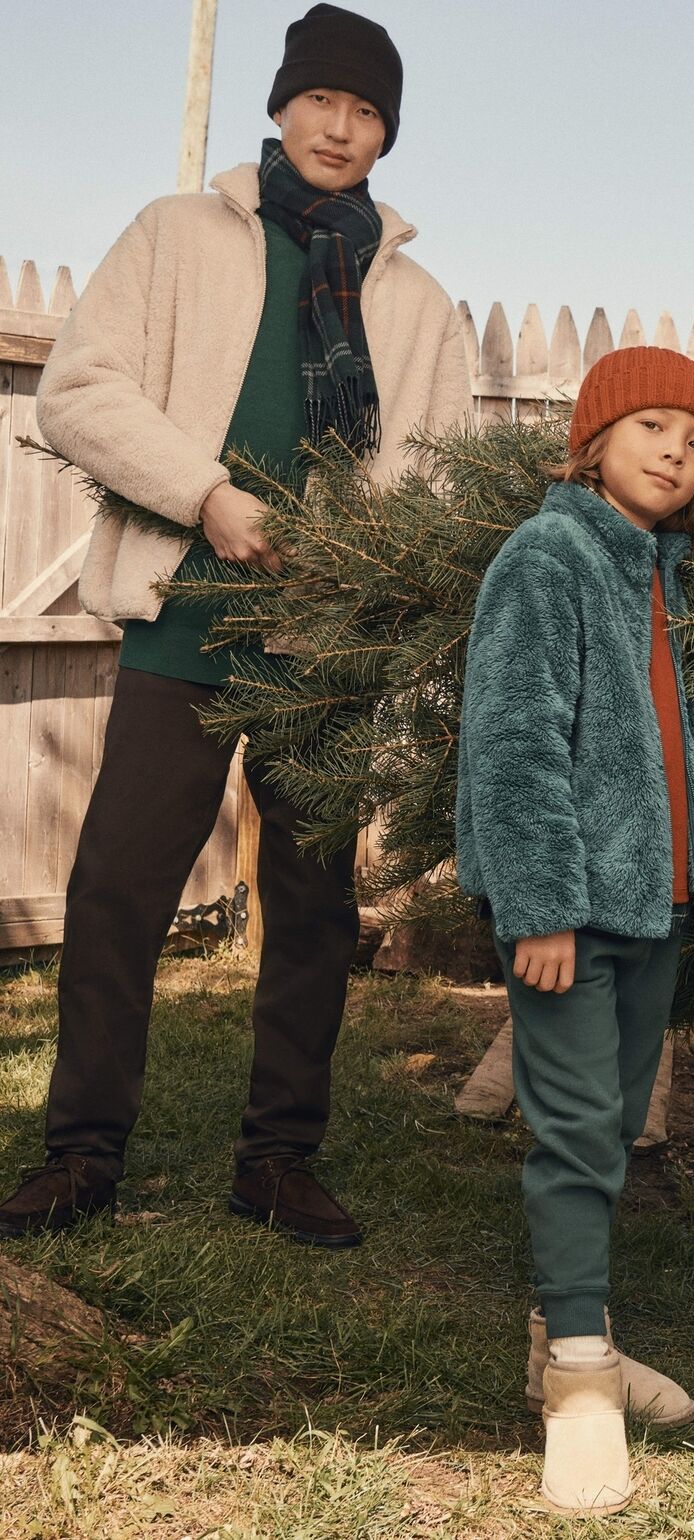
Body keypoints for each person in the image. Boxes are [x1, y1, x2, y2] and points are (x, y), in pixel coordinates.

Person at [0, 4, 472, 1249]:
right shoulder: (174, 237)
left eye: (367, 112)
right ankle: (84, 1153)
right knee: (116, 890)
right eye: (323, 99)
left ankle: (278, 1159)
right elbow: (78, 389)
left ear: (388, 136)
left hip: (324, 645)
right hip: (183, 615)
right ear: (281, 105)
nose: (341, 126)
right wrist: (207, 495)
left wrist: (358, 578)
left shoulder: (415, 299)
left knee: (314, 905)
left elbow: (436, 471)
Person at [456, 346, 694, 1516]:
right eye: (653, 425)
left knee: (610, 1126)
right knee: (573, 1132)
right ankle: (575, 1385)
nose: (675, 450)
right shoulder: (548, 556)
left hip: (654, 904)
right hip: (573, 907)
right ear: (594, 440)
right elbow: (513, 742)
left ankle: (576, 1338)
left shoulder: (661, 574)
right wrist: (542, 905)